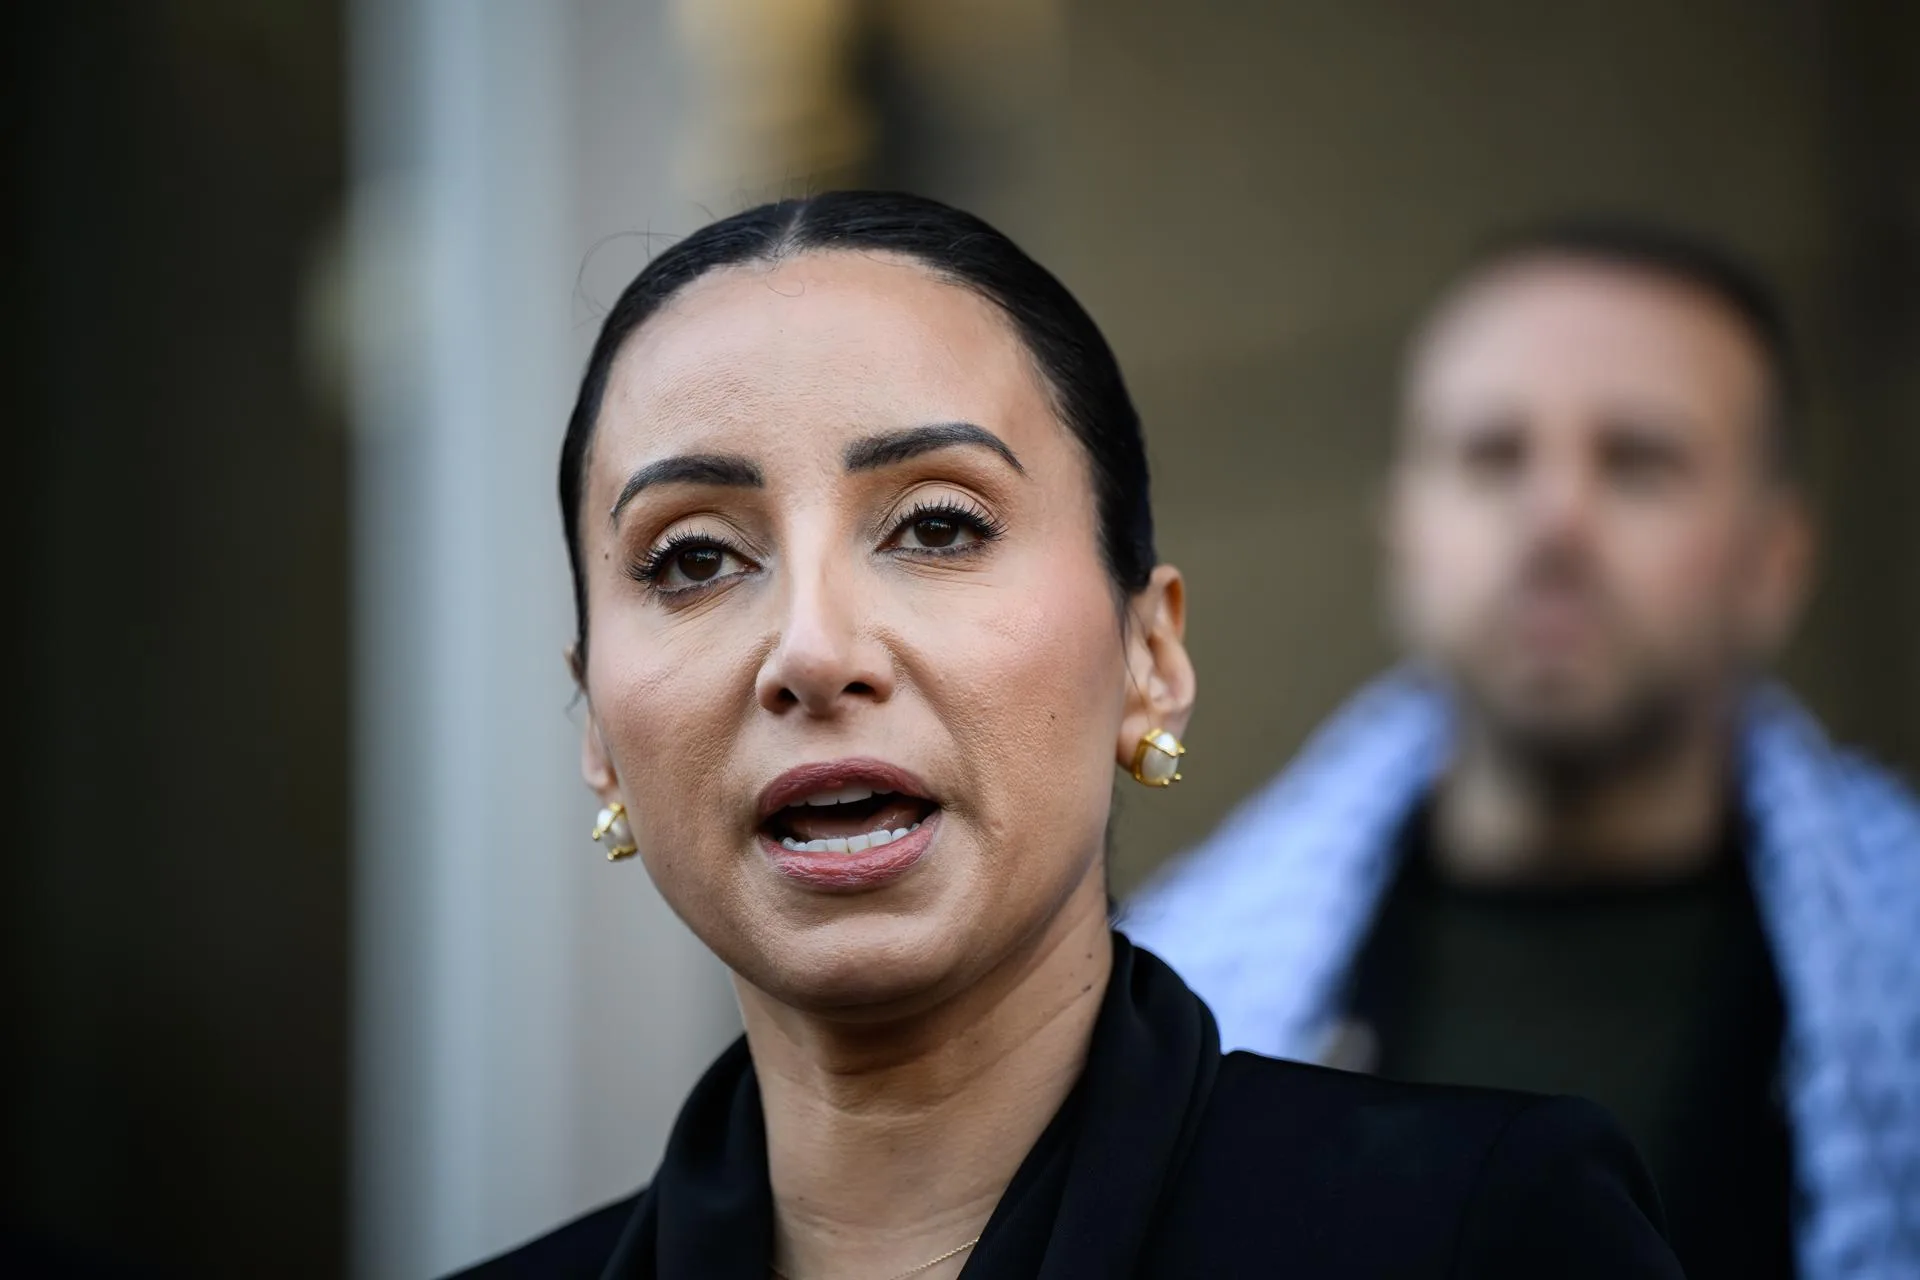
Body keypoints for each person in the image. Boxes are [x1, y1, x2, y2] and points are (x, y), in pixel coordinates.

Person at [454, 192, 1681, 1278]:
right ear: (597, 726)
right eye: (693, 558)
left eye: (937, 526)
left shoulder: (1475, 1232)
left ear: (1149, 657)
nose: (814, 650)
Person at [1124, 220, 1920, 1280]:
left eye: (1638, 460)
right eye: (1492, 456)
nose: (1555, 520)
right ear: (1402, 532)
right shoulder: (1172, 995)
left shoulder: (1896, 962)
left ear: (1775, 559)